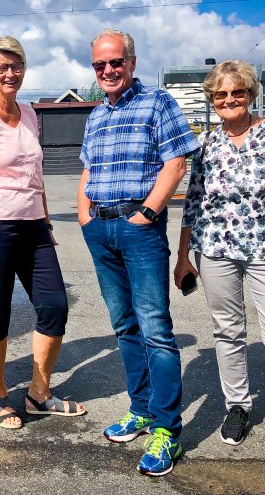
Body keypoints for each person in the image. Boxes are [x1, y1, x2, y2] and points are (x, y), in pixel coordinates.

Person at [174, 59, 265, 460]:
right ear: (212, 99)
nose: (229, 99)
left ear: (250, 94)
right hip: (216, 250)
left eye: (237, 92)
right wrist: (184, 255)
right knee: (227, 332)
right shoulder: (207, 143)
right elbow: (194, 202)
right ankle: (237, 406)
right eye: (221, 94)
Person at [78, 29, 200, 476]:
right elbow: (89, 169)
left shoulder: (158, 103)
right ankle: (141, 408)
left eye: (116, 62)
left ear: (131, 61)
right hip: (101, 229)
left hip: (138, 228)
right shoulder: (95, 114)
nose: (108, 71)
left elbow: (176, 161)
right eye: (99, 65)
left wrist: (148, 213)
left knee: (155, 329)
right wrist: (85, 217)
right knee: (124, 324)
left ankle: (168, 429)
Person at [0, 36, 86, 431]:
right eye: (2, 67)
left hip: (33, 228)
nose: (10, 73)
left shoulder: (29, 113)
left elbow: (33, 172)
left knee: (54, 305)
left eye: (16, 66)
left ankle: (39, 392)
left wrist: (44, 219)